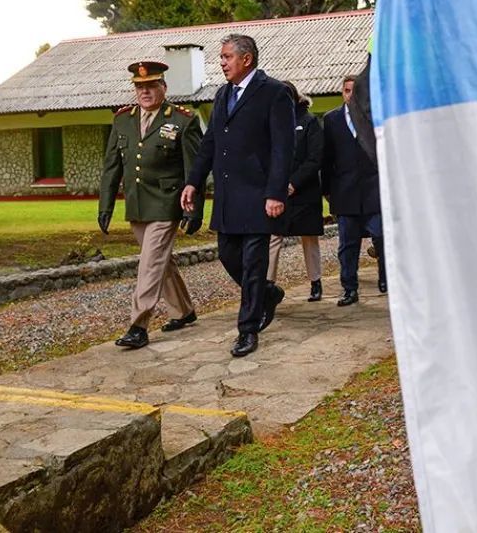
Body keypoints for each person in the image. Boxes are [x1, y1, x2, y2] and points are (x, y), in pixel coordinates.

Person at [181, 34, 294, 357]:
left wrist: (275, 193)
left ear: (246, 59)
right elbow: (210, 144)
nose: (222, 62)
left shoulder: (274, 93)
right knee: (229, 257)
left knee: (253, 264)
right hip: (229, 197)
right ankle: (268, 294)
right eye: (221, 57)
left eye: (227, 56)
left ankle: (248, 329)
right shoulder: (222, 94)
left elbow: (283, 149)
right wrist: (194, 182)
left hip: (259, 195)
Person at [99, 60, 204, 349]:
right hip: (137, 204)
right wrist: (105, 205)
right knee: (160, 261)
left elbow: (194, 169)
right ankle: (184, 311)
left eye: (150, 86)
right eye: (139, 86)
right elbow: (111, 167)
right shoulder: (122, 119)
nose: (144, 91)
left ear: (163, 87)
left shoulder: (183, 120)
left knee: (149, 263)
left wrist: (192, 210)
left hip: (167, 203)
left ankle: (138, 324)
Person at [321, 74, 386, 306]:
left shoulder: (373, 118)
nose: (350, 95)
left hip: (372, 191)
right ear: (342, 92)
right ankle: (349, 288)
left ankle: (384, 277)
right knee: (347, 246)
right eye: (347, 90)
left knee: (381, 237)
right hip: (345, 192)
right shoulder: (331, 120)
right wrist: (327, 190)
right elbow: (326, 159)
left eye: (354, 91)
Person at [267, 81, 325, 302]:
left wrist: (293, 183)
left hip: (304, 192)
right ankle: (267, 285)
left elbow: (315, 158)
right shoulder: (270, 122)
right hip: (277, 192)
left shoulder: (309, 122)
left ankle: (315, 281)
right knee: (273, 237)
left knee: (309, 238)